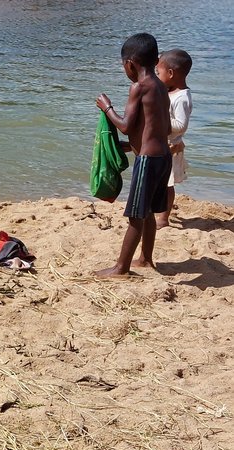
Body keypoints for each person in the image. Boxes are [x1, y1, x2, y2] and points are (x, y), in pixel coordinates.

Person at [95, 33, 171, 277]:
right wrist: (131, 146)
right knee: (148, 210)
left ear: (130, 63)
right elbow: (162, 128)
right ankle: (146, 259)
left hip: (148, 161)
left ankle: (121, 268)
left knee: (136, 215)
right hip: (163, 157)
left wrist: (106, 108)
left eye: (123, 66)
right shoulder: (160, 86)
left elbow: (126, 125)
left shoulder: (138, 87)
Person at [154, 49, 193, 229]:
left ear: (170, 73)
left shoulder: (182, 97)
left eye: (158, 72)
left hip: (172, 146)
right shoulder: (169, 91)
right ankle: (157, 211)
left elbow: (181, 125)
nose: (157, 76)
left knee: (166, 185)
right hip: (162, 144)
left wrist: (160, 120)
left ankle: (163, 218)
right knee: (158, 182)